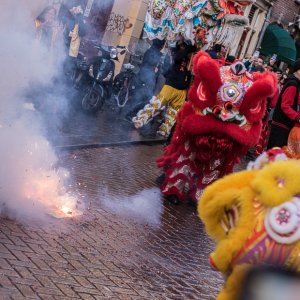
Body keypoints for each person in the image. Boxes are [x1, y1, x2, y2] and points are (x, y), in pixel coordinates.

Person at [132, 41, 196, 137]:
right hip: (170, 86)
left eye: (185, 46)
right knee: (157, 104)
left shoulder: (188, 58)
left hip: (181, 90)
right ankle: (140, 120)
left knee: (174, 112)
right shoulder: (173, 53)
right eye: (183, 46)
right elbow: (174, 60)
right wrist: (189, 48)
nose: (184, 48)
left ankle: (165, 129)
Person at [268, 60, 300, 149]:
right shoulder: (293, 84)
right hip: (281, 125)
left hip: (281, 124)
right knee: (275, 154)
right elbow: (285, 106)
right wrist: (297, 117)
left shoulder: (294, 83)